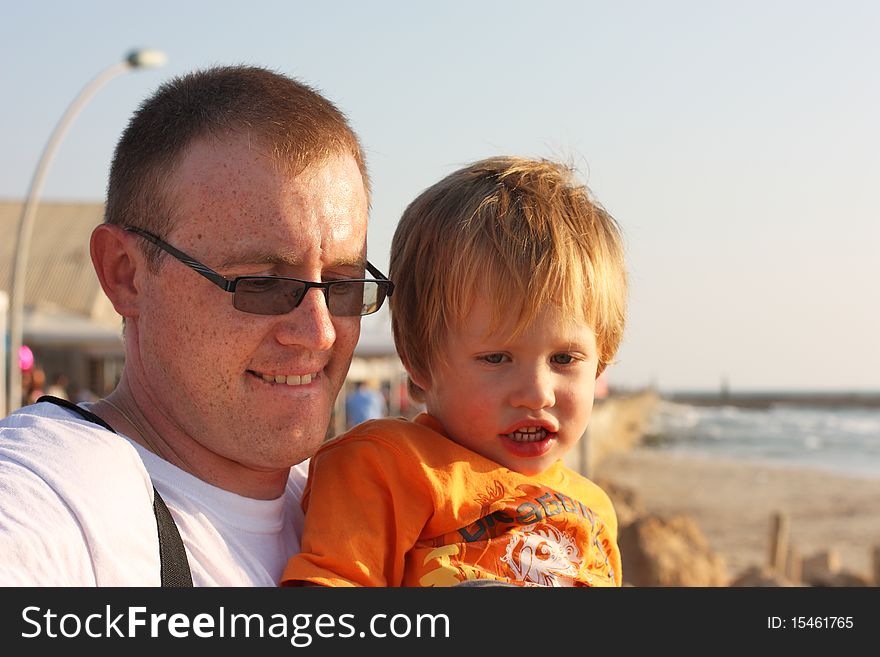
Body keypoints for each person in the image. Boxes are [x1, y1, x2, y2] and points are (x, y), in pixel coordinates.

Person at [0, 65, 392, 586]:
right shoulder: (60, 496)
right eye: (261, 282)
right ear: (126, 275)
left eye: (342, 285)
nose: (319, 331)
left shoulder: (369, 512)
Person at [281, 156, 628, 587]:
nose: (537, 393)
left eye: (564, 359)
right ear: (420, 359)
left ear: (602, 358)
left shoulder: (593, 509)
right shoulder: (387, 469)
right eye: (496, 359)